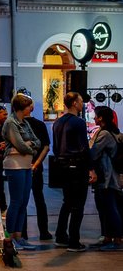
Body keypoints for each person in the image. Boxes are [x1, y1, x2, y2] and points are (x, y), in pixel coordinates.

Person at [1, 93, 41, 251]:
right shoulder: (11, 123)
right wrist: (31, 148)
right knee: (16, 201)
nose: (31, 108)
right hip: (14, 165)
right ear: (21, 107)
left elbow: (37, 141)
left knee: (24, 201)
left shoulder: (25, 122)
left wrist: (28, 145)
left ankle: (19, 236)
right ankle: (10, 237)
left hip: (25, 165)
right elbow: (20, 145)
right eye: (29, 105)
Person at [53, 92, 90, 252]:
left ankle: (61, 236)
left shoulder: (58, 122)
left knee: (67, 202)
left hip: (62, 165)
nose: (82, 104)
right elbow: (84, 147)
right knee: (78, 205)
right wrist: (91, 168)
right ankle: (74, 241)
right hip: (77, 166)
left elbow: (55, 147)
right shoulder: (78, 122)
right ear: (74, 103)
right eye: (81, 101)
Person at [90, 106, 121, 251]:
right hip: (112, 176)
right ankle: (108, 237)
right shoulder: (115, 132)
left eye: (96, 115)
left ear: (101, 118)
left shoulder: (104, 134)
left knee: (109, 209)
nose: (94, 117)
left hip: (107, 177)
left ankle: (117, 240)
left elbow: (93, 153)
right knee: (108, 208)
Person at [25, 112, 53, 241]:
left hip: (21, 166)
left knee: (21, 201)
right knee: (39, 199)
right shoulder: (39, 124)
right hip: (36, 166)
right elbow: (46, 147)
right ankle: (44, 231)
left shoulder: (15, 124)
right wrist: (36, 163)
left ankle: (22, 232)